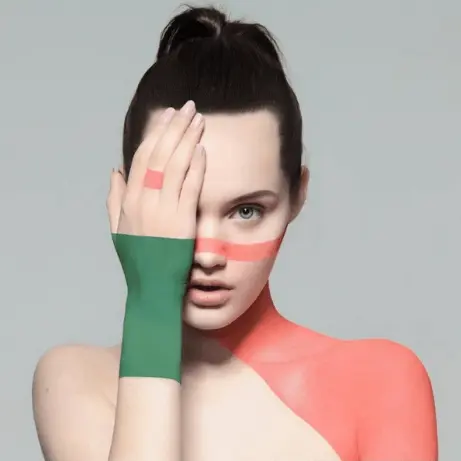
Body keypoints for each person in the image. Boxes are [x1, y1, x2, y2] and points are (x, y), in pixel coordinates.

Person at [32, 5, 438, 461]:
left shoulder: (379, 382)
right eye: (181, 206)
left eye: (246, 211)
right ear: (128, 201)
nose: (208, 254)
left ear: (297, 195)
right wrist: (151, 300)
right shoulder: (75, 380)